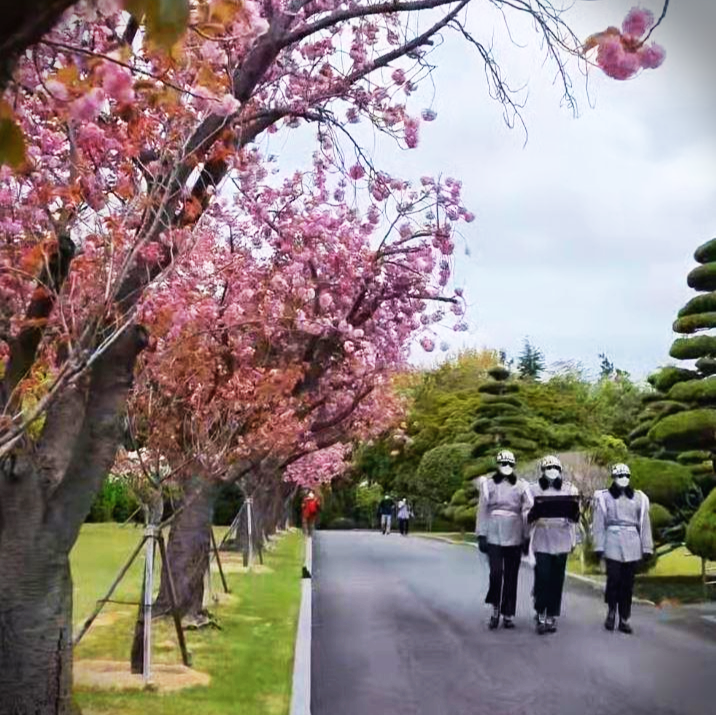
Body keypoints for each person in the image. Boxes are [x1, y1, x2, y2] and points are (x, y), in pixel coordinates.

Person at [592, 463, 653, 634]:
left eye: (626, 476)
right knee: (614, 579)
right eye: (620, 476)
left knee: (627, 583)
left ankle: (624, 618)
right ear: (614, 478)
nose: (623, 479)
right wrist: (598, 545)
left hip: (632, 541)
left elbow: (644, 523)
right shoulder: (604, 497)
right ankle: (611, 611)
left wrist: (647, 547)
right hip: (612, 539)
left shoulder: (640, 497)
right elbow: (598, 524)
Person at [476, 450, 532, 629]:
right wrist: (481, 535)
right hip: (493, 533)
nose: (506, 467)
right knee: (496, 573)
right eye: (503, 464)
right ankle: (495, 608)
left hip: (515, 533)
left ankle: (508, 613)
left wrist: (526, 536)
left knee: (511, 575)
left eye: (509, 464)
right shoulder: (488, 484)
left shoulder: (522, 486)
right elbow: (482, 510)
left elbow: (528, 511)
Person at [527, 455, 580, 635]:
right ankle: (540, 613)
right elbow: (525, 514)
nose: (552, 471)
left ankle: (551, 615)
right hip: (542, 536)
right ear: (542, 470)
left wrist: (574, 540)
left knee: (557, 579)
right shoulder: (533, 490)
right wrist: (532, 515)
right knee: (543, 577)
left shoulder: (570, 489)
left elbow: (574, 519)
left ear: (560, 470)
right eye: (548, 468)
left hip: (562, 537)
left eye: (555, 468)